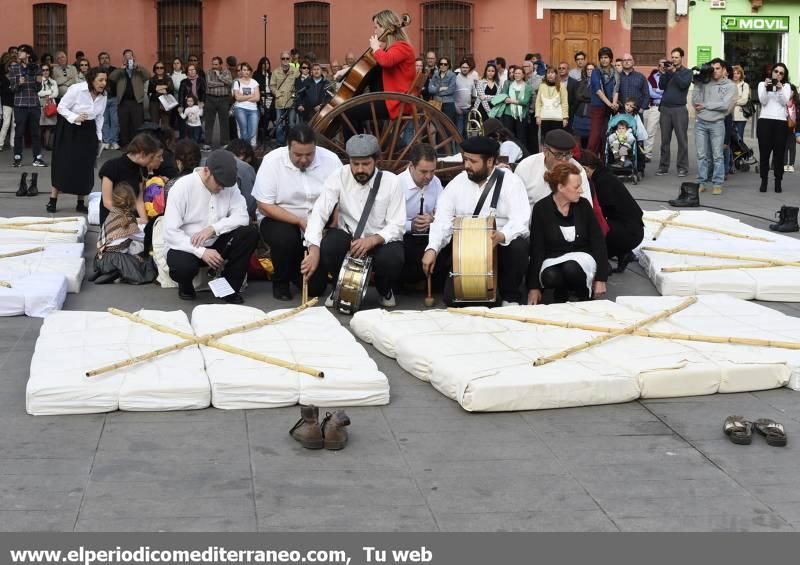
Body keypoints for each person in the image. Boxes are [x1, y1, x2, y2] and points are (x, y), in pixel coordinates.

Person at [422, 135, 530, 306]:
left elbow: (521, 219)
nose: (467, 166)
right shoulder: (457, 183)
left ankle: (511, 296)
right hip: (467, 251)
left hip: (501, 247)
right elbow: (443, 220)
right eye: (465, 159)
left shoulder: (511, 182)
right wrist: (432, 248)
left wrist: (502, 235)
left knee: (519, 245)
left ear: (490, 162)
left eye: (473, 161)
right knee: (452, 299)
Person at [301, 134, 405, 308]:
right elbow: (319, 212)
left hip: (379, 240)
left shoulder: (392, 182)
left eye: (365, 164)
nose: (359, 170)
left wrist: (372, 240)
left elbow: (397, 224)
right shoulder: (339, 175)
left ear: (376, 161)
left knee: (394, 257)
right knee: (330, 244)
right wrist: (313, 248)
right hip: (349, 238)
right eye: (355, 164)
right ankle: (338, 287)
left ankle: (384, 290)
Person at [254, 124, 342, 301]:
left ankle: (300, 272)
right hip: (280, 217)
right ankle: (281, 281)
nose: (304, 160)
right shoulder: (272, 161)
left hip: (320, 219)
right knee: (286, 238)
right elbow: (263, 204)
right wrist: (299, 221)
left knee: (316, 289)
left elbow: (342, 197)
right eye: (298, 155)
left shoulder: (331, 160)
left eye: (309, 154)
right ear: (288, 147)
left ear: (315, 147)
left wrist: (332, 224)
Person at [163, 149, 257, 303]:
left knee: (249, 232)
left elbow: (242, 216)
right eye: (219, 183)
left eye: (225, 185)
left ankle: (230, 288)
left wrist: (213, 228)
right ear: (206, 171)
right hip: (186, 245)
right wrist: (202, 252)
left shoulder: (229, 186)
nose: (222, 188)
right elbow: (170, 232)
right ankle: (185, 284)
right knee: (183, 266)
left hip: (216, 240)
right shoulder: (182, 187)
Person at [527, 161, 608, 305]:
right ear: (561, 187)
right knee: (550, 275)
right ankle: (560, 294)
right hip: (553, 260)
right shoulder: (541, 209)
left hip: (581, 259)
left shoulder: (583, 206)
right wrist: (533, 287)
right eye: (576, 187)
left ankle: (583, 295)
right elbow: (537, 249)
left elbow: (598, 242)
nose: (581, 191)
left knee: (571, 267)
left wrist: (601, 278)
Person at [46, 66, 107, 214]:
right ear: (92, 80)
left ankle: (81, 202)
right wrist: (75, 117)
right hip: (70, 129)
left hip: (89, 130)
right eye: (100, 80)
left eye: (105, 80)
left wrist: (99, 137)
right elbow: (61, 107)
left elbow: (99, 117)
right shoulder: (77, 89)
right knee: (64, 163)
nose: (103, 83)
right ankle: (53, 200)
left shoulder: (103, 96)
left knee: (85, 166)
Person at [577, 150, 643, 272]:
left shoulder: (600, 182)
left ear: (585, 169)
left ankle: (604, 264)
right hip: (634, 229)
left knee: (591, 234)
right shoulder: (605, 175)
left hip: (628, 233)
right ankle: (623, 253)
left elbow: (599, 214)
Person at [90, 182, 157, 285]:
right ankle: (116, 272)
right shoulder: (128, 222)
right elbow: (145, 239)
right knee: (143, 265)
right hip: (115, 260)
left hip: (100, 259)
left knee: (129, 254)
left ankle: (103, 272)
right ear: (133, 202)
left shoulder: (112, 214)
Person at [399, 143, 445, 287]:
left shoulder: (436, 183)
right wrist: (410, 225)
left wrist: (432, 219)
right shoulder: (397, 184)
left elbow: (444, 211)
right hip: (405, 237)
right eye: (423, 172)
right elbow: (387, 222)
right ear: (411, 167)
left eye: (432, 171)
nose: (429, 177)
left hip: (428, 236)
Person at [515, 128, 592, 208]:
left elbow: (585, 209)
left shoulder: (578, 171)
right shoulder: (525, 168)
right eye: (558, 155)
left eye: (568, 155)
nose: (564, 160)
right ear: (545, 151)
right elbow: (515, 205)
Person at [97, 132, 162, 225]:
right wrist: (130, 218)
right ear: (142, 154)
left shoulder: (140, 169)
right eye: (151, 157)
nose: (152, 160)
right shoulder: (111, 166)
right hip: (111, 220)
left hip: (131, 219)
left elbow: (139, 200)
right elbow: (107, 202)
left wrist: (145, 221)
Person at [693, 58, 735, 195]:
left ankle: (717, 183)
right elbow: (695, 102)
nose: (715, 71)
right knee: (701, 155)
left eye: (717, 68)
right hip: (700, 123)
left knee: (717, 155)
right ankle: (701, 182)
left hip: (717, 123)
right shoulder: (704, 82)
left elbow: (724, 106)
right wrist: (698, 83)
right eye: (713, 69)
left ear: (724, 70)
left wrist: (705, 106)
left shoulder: (730, 85)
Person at [8, 44, 47, 168]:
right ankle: (17, 157)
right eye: (18, 51)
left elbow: (38, 88)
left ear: (28, 54)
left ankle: (37, 158)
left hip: (34, 104)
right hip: (20, 104)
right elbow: (13, 89)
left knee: (36, 132)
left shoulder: (36, 68)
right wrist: (19, 84)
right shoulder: (14, 68)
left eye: (21, 51)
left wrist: (38, 81)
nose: (19, 53)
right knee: (19, 132)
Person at [657, 47, 692, 177]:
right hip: (665, 109)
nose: (674, 59)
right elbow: (661, 86)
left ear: (682, 58)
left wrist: (674, 72)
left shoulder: (687, 72)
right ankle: (663, 167)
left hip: (679, 109)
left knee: (682, 140)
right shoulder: (668, 71)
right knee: (664, 140)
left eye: (676, 57)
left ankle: (682, 167)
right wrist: (665, 73)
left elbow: (683, 85)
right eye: (672, 57)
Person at [757, 63, 792, 193]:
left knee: (779, 154)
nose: (778, 74)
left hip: (780, 122)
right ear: (771, 72)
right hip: (765, 121)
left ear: (784, 76)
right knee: (764, 153)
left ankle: (778, 181)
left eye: (781, 73)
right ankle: (764, 181)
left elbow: (784, 102)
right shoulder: (762, 84)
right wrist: (766, 88)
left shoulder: (786, 86)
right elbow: (763, 101)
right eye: (776, 71)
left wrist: (780, 89)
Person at [108, 49, 151, 148]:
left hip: (136, 101)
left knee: (137, 124)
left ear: (133, 58)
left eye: (130, 57)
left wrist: (138, 67)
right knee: (124, 124)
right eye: (126, 57)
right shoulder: (120, 71)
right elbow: (111, 77)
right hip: (123, 102)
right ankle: (125, 145)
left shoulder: (138, 70)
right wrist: (121, 69)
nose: (128, 59)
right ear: (123, 58)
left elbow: (148, 75)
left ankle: (138, 145)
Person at [587, 47, 618, 155]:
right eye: (602, 58)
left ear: (610, 59)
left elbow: (616, 89)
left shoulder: (615, 72)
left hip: (609, 109)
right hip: (598, 107)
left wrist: (614, 103)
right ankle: (589, 161)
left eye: (606, 57)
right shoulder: (596, 72)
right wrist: (610, 104)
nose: (604, 60)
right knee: (594, 137)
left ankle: (603, 163)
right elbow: (597, 90)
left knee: (605, 136)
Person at [495, 66, 532, 148]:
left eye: (519, 73)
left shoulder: (528, 87)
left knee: (521, 137)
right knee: (508, 136)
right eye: (515, 73)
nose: (517, 75)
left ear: (523, 75)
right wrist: (517, 101)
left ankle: (522, 156)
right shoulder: (509, 85)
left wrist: (511, 101)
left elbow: (525, 102)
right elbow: (504, 97)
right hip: (508, 114)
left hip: (521, 115)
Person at [203, 56, 233, 149]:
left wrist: (219, 76)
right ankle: (207, 143)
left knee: (224, 121)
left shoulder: (226, 72)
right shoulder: (208, 72)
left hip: (223, 99)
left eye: (216, 64)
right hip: (210, 98)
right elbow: (209, 84)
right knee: (209, 122)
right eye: (213, 64)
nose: (214, 66)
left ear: (220, 64)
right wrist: (222, 83)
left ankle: (224, 143)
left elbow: (229, 82)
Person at [270, 51, 299, 145]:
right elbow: (272, 85)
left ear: (290, 59)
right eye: (283, 58)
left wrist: (296, 94)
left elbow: (299, 84)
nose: (285, 60)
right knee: (279, 124)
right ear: (280, 59)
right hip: (280, 101)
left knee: (292, 124)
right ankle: (280, 143)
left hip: (291, 101)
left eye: (287, 58)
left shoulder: (295, 71)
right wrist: (277, 94)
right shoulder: (275, 72)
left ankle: (292, 143)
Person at [536, 66, 569, 143]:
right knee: (545, 140)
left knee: (556, 141)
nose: (550, 75)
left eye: (552, 73)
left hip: (557, 119)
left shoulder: (561, 85)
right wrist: (538, 116)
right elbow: (538, 102)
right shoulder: (542, 85)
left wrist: (565, 118)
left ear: (556, 74)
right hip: (544, 118)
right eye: (548, 73)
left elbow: (564, 103)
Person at [231, 62, 259, 147]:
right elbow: (237, 98)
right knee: (243, 130)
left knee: (253, 131)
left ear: (250, 71)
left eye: (248, 70)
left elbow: (257, 98)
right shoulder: (237, 82)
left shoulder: (254, 82)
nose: (246, 72)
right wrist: (251, 95)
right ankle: (246, 148)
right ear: (241, 71)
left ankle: (244, 146)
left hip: (253, 109)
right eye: (244, 70)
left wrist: (243, 97)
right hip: (240, 109)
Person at [643, 59, 666, 161]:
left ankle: (665, 156)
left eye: (664, 65)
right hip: (655, 107)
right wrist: (662, 93)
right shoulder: (652, 78)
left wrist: (656, 90)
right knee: (650, 131)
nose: (662, 67)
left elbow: (669, 92)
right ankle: (647, 154)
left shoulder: (670, 76)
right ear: (658, 66)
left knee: (666, 133)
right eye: (660, 65)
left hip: (666, 107)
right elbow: (650, 93)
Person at [98, 51, 119, 150]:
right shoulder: (97, 71)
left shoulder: (115, 70)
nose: (105, 60)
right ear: (99, 60)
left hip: (114, 98)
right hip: (102, 98)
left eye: (106, 57)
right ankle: (106, 141)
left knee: (115, 121)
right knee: (104, 121)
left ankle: (114, 141)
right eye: (102, 58)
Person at [571, 63, 594, 148]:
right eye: (588, 69)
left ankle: (589, 158)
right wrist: (588, 97)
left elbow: (593, 97)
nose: (589, 71)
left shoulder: (598, 83)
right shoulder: (580, 82)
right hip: (580, 114)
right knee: (579, 140)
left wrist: (583, 97)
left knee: (591, 140)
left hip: (591, 115)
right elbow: (577, 96)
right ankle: (581, 158)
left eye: (591, 69)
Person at [429, 57, 457, 125]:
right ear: (439, 65)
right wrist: (440, 89)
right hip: (437, 103)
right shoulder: (435, 74)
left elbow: (451, 90)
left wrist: (436, 91)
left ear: (448, 65)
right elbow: (430, 89)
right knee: (438, 126)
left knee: (448, 126)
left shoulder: (452, 75)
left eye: (445, 64)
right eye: (441, 64)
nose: (443, 66)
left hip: (448, 103)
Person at [37, 63, 58, 151]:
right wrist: (49, 92)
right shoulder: (38, 81)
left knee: (50, 126)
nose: (45, 72)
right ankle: (38, 144)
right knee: (41, 126)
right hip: (40, 104)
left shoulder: (53, 81)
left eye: (47, 70)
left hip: (51, 104)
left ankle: (47, 144)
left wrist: (47, 94)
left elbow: (56, 94)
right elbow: (38, 93)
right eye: (43, 70)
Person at [147, 61, 174, 128]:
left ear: (164, 69)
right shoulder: (152, 79)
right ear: (154, 69)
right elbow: (150, 90)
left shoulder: (168, 78)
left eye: (161, 67)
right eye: (157, 67)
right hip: (154, 103)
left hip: (166, 102)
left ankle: (166, 138)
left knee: (166, 123)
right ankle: (155, 138)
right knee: (154, 123)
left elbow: (170, 89)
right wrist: (164, 87)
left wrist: (157, 88)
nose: (159, 69)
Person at [454, 60, 474, 138]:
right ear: (460, 68)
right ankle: (457, 150)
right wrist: (456, 106)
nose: (465, 69)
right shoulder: (455, 77)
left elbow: (473, 94)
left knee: (466, 131)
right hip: (459, 110)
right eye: (463, 67)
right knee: (459, 132)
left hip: (468, 109)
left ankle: (465, 149)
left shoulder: (471, 79)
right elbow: (452, 93)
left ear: (469, 68)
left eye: (466, 67)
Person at [0, 53, 15, 151]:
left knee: (15, 124)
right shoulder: (3, 77)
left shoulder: (17, 78)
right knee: (6, 123)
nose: (13, 68)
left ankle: (13, 144)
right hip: (7, 102)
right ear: (8, 67)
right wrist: (11, 88)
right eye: (11, 66)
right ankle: (0, 143)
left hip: (16, 102)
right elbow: (2, 90)